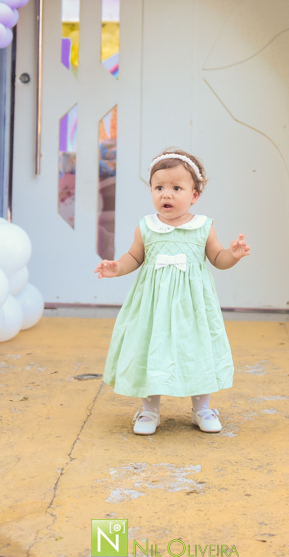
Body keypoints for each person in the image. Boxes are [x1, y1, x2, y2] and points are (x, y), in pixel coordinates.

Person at [95, 149, 251, 435]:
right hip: (153, 305)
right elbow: (134, 257)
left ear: (194, 195)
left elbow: (218, 259)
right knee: (151, 349)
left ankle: (202, 408)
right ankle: (149, 411)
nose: (166, 194)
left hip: (192, 306)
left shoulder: (203, 227)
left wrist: (233, 254)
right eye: (159, 188)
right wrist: (117, 267)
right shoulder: (147, 227)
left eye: (176, 188)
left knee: (197, 349)